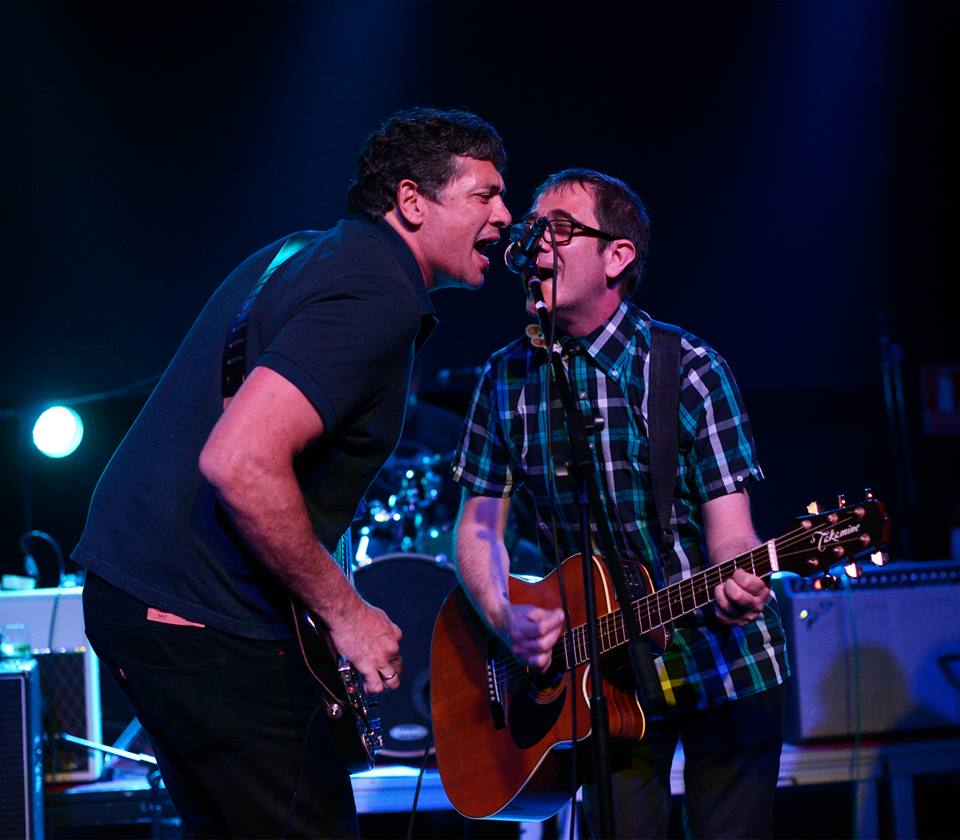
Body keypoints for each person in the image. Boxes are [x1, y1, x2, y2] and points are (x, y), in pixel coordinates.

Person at [72, 106, 511, 838]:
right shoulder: (375, 293)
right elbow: (238, 460)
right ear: (411, 201)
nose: (505, 217)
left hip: (140, 602)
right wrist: (348, 615)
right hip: (198, 617)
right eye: (485, 195)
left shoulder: (307, 253)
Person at [452, 168, 788, 838]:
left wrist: (740, 577)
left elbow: (731, 532)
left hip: (722, 664)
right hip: (601, 682)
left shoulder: (690, 369)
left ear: (617, 257)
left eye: (560, 229)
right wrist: (505, 615)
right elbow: (478, 528)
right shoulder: (503, 378)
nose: (536, 244)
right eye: (532, 230)